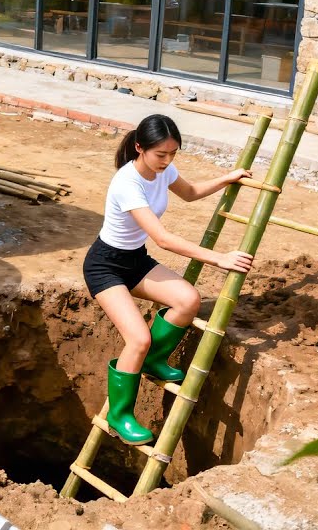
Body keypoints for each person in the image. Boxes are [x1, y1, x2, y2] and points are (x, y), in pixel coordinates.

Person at [83, 114, 254, 443]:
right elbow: (163, 238)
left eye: (173, 154)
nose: (167, 161)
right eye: (161, 154)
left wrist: (227, 178)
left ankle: (154, 361)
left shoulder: (165, 170)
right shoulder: (126, 183)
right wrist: (220, 258)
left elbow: (190, 192)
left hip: (134, 260)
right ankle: (120, 416)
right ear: (139, 148)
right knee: (138, 339)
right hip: (105, 265)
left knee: (189, 300)